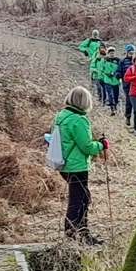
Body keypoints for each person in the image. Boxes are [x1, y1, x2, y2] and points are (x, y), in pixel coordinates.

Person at [54, 86, 107, 244]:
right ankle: (73, 237)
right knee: (78, 201)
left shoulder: (62, 116)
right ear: (85, 102)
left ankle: (82, 234)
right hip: (77, 166)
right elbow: (87, 147)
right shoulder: (79, 120)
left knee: (83, 198)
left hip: (64, 164)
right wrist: (101, 145)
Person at [94, 48, 121, 112]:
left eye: (113, 53)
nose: (112, 54)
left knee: (116, 94)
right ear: (108, 53)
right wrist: (102, 77)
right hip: (107, 80)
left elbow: (120, 69)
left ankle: (115, 106)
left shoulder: (118, 60)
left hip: (115, 80)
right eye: (110, 53)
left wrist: (118, 75)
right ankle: (112, 108)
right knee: (110, 94)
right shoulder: (104, 60)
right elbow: (101, 69)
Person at [115, 47, 136, 126]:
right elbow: (118, 70)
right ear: (127, 52)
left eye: (133, 52)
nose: (131, 54)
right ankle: (128, 117)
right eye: (130, 52)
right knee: (129, 100)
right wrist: (118, 75)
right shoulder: (122, 61)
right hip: (126, 84)